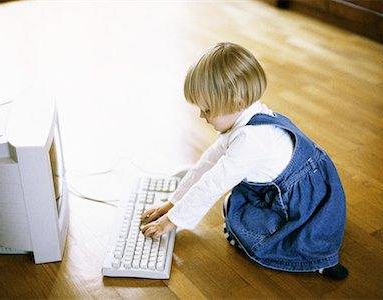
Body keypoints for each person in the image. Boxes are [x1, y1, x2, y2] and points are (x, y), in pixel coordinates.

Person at [140, 42, 348, 280]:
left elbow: (212, 184)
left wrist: (171, 222)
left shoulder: (251, 140)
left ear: (237, 102)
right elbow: (208, 164)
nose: (202, 117)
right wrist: (173, 203)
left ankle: (315, 257)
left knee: (235, 211)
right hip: (304, 191)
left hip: (303, 208)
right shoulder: (247, 118)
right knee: (236, 201)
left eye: (207, 110)